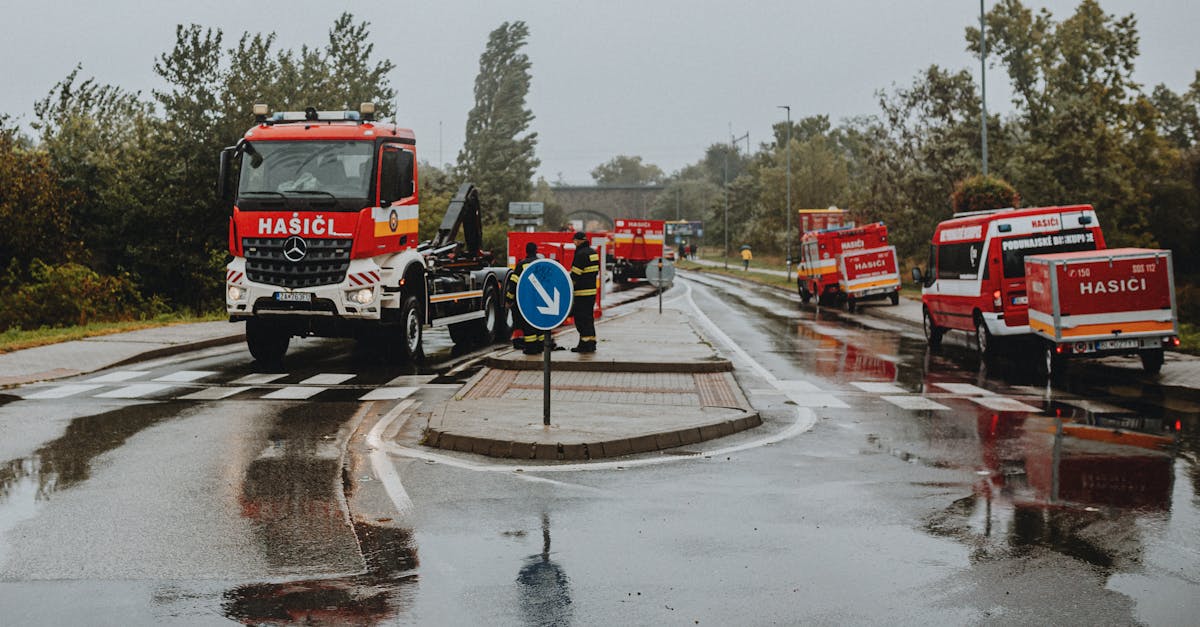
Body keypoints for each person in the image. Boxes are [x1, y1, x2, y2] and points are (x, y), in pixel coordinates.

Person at [507, 242, 544, 354]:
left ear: (526, 251)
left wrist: (509, 299)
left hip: (527, 299)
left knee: (528, 324)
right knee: (539, 323)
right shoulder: (541, 264)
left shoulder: (521, 265)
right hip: (541, 299)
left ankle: (531, 348)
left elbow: (514, 283)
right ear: (536, 251)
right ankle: (541, 346)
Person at [569, 231, 599, 353]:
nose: (574, 243)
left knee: (581, 319)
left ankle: (584, 345)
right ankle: (591, 342)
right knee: (588, 318)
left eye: (575, 241)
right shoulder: (593, 253)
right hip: (591, 292)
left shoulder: (580, 254)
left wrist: (568, 287)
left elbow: (575, 275)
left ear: (578, 241)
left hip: (581, 293)